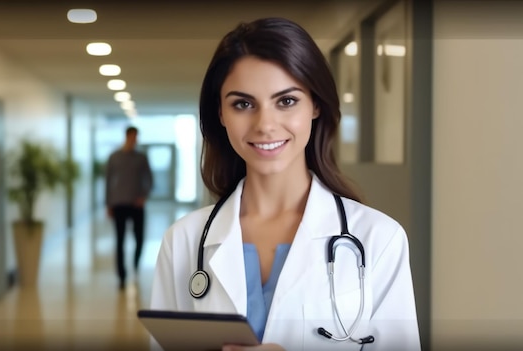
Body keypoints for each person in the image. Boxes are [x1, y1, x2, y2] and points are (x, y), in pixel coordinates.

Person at [149, 17, 420, 351]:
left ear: (315, 105)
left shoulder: (379, 239)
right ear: (220, 113)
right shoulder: (183, 241)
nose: (265, 125)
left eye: (287, 101)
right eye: (243, 104)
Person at [105, 126, 153, 290]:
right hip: (119, 203)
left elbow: (150, 179)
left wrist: (144, 196)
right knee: (120, 240)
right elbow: (108, 182)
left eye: (136, 137)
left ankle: (135, 263)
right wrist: (108, 203)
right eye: (132, 137)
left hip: (136, 203)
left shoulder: (141, 158)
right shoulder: (114, 157)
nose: (134, 140)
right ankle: (122, 276)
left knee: (139, 237)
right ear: (126, 136)